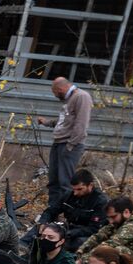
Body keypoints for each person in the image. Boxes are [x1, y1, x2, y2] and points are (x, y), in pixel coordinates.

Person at [34, 76, 93, 208]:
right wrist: (47, 122)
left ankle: (67, 213)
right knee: (54, 180)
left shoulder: (82, 96)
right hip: (59, 143)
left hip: (69, 144)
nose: (55, 95)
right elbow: (64, 122)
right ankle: (52, 212)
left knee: (65, 182)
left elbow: (81, 125)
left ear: (60, 88)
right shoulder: (70, 99)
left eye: (55, 92)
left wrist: (70, 146)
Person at [26, 168, 108, 252]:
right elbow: (51, 210)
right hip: (67, 228)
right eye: (74, 189)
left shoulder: (100, 202)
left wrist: (69, 233)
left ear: (90, 185)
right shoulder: (69, 195)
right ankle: (21, 247)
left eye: (79, 189)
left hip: (84, 234)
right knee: (40, 228)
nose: (75, 193)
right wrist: (43, 222)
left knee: (77, 242)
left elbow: (94, 229)